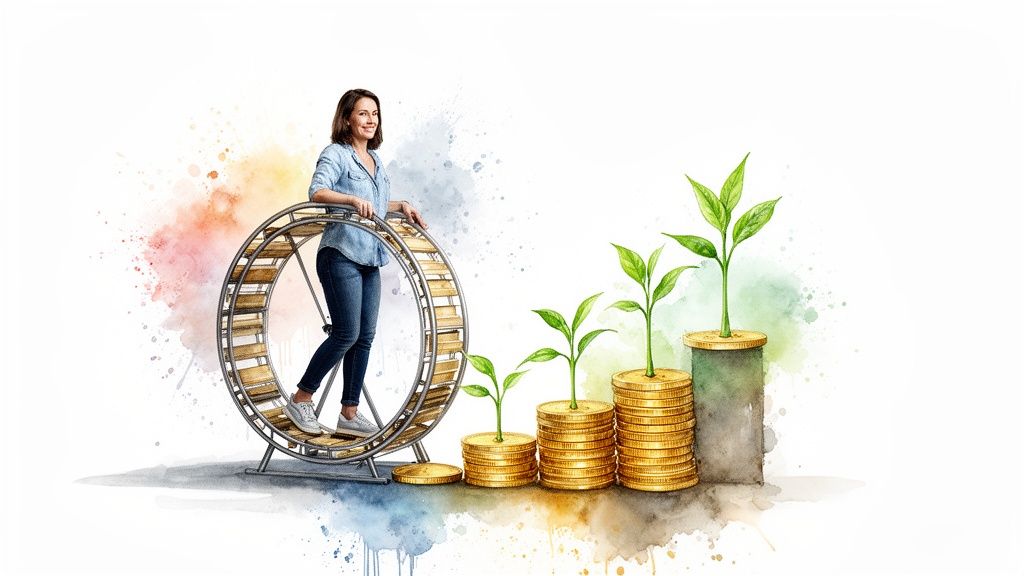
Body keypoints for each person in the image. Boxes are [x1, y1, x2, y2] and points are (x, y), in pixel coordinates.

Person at [284, 88, 427, 437]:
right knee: (346, 333)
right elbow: (316, 192)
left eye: (374, 113)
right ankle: (301, 398)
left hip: (371, 257)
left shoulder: (376, 161)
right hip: (341, 255)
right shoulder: (336, 154)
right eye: (363, 113)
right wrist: (349, 199)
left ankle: (349, 413)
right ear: (347, 117)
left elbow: (374, 204)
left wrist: (399, 205)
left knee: (365, 336)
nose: (370, 119)